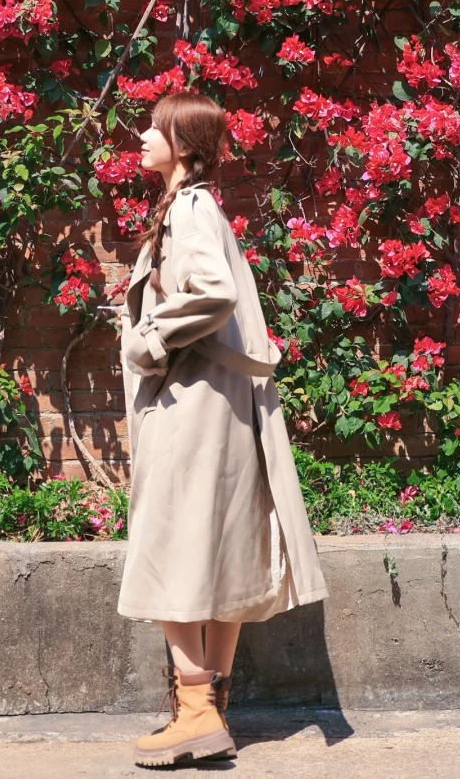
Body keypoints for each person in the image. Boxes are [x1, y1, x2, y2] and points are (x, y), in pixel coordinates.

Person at [114, 90, 328, 768]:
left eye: (154, 128)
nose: (141, 136)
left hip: (193, 403)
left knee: (166, 546)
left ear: (185, 145)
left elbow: (212, 292)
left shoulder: (191, 207)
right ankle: (212, 712)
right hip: (216, 401)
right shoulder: (195, 207)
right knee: (220, 550)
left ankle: (198, 710)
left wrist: (148, 338)